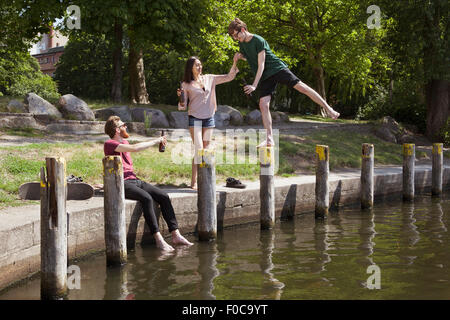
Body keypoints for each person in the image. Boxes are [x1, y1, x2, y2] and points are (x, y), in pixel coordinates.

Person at [228, 18, 340, 147]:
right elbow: (250, 56)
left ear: (243, 30)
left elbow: (261, 64)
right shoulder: (242, 43)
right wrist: (240, 57)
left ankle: (329, 109)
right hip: (266, 77)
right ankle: (269, 138)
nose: (236, 39)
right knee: (263, 104)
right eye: (234, 37)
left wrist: (254, 85)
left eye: (236, 35)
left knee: (302, 88)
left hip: (276, 69)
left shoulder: (258, 40)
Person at [103, 115, 193, 252]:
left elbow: (133, 146)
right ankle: (158, 239)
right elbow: (135, 148)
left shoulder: (125, 144)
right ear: (117, 129)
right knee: (147, 198)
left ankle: (176, 234)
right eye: (123, 125)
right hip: (121, 182)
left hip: (134, 179)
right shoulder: (109, 144)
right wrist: (156, 140)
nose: (126, 127)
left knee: (163, 196)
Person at [177, 56, 239, 189]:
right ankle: (194, 182)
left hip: (209, 118)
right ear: (190, 68)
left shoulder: (210, 78)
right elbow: (183, 106)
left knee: (206, 150)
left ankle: (205, 179)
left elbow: (229, 77)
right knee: (199, 150)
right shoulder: (186, 84)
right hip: (195, 118)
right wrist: (181, 99)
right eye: (196, 65)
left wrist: (235, 62)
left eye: (200, 64)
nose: (200, 67)